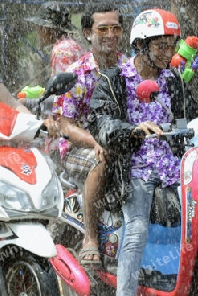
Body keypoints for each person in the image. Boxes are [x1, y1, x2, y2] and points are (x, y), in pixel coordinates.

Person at [88, 8, 198, 295]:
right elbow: (101, 123)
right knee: (136, 232)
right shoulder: (114, 80)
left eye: (172, 46)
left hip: (174, 167)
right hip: (133, 168)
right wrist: (132, 131)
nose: (168, 52)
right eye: (161, 46)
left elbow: (189, 118)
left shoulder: (173, 80)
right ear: (140, 45)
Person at [52, 3, 128, 266]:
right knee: (101, 159)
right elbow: (66, 127)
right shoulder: (76, 74)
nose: (110, 35)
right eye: (103, 29)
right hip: (79, 148)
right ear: (87, 33)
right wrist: (96, 141)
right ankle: (91, 238)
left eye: (115, 28)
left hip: (121, 143)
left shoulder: (129, 68)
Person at [26, 1, 85, 76]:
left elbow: (63, 86)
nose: (38, 32)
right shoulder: (73, 43)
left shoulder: (61, 51)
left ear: (47, 29)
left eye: (39, 28)